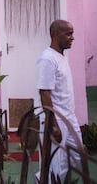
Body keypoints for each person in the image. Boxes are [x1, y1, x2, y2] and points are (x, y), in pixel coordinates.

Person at [34, 19, 83, 182]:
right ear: (55, 34)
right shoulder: (47, 59)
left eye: (72, 33)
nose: (72, 37)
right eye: (68, 34)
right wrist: (53, 124)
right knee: (55, 167)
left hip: (69, 118)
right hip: (56, 120)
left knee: (79, 156)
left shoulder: (60, 57)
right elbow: (44, 93)